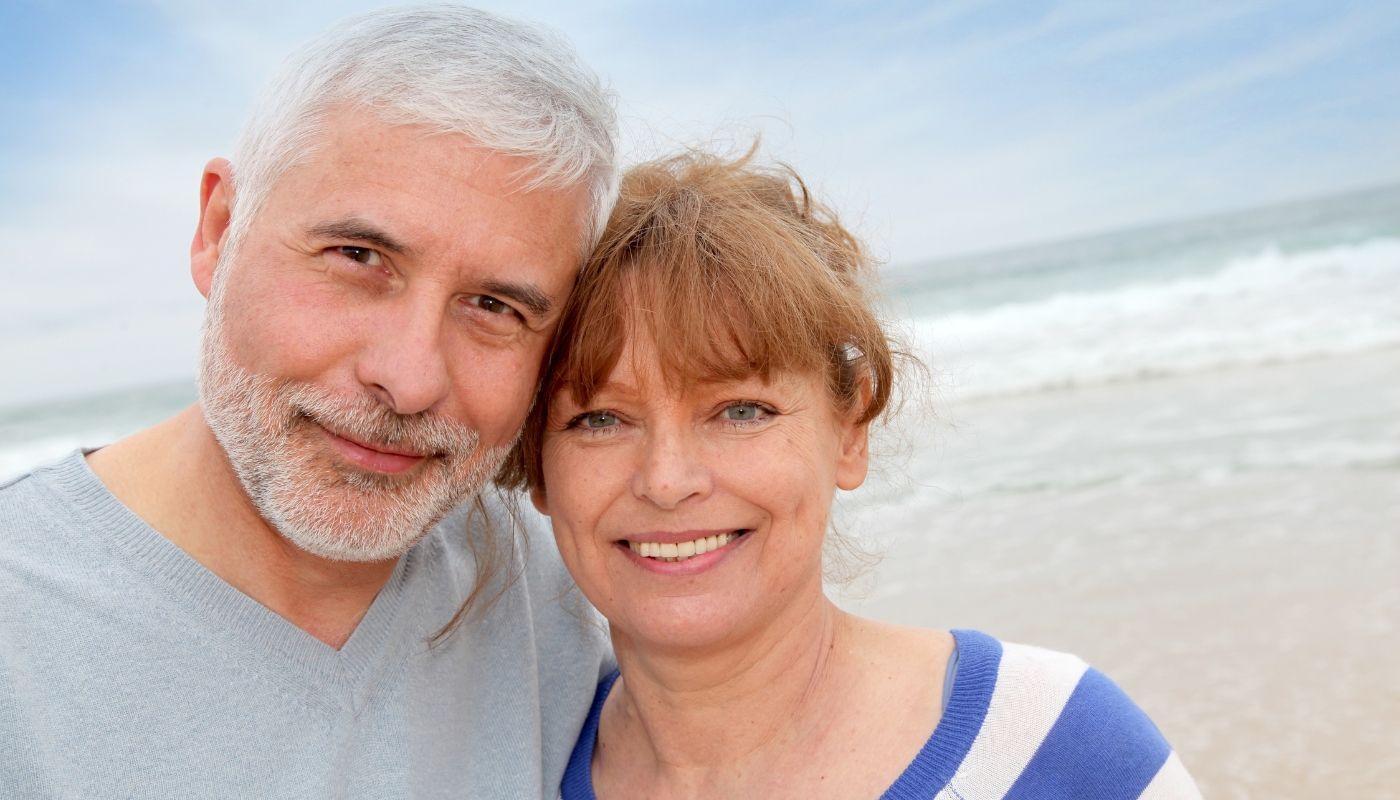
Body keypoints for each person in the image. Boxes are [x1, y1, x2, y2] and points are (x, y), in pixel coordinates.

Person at [0, 6, 619, 796]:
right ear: (219, 231)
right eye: (358, 256)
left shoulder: (557, 586)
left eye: (494, 306)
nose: (410, 379)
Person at [504, 150, 1205, 799]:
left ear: (850, 430)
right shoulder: (511, 768)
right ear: (535, 461)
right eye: (599, 419)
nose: (666, 479)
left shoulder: (1057, 748)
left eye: (741, 410)